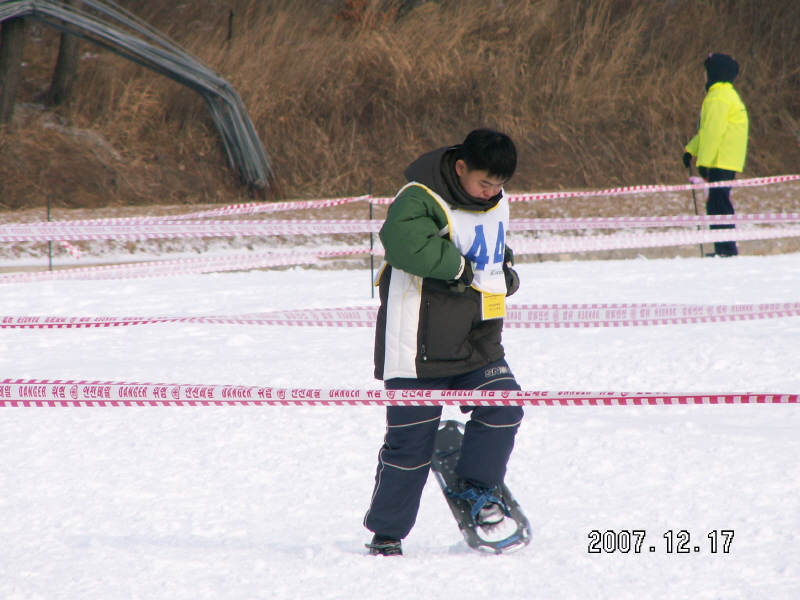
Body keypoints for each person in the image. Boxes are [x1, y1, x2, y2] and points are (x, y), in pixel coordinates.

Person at [363, 128, 524, 556]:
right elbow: (400, 243)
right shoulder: (420, 197)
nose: (491, 191)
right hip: (418, 346)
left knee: (505, 405)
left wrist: (504, 272)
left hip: (478, 338)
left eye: (499, 185)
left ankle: (477, 489)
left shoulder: (495, 200)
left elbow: (491, 245)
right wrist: (457, 267)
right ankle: (387, 533)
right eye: (484, 182)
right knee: (409, 448)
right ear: (460, 167)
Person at [682, 53, 749, 257]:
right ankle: (723, 249)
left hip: (720, 160)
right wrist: (690, 150)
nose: (704, 76)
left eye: (707, 72)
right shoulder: (725, 94)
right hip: (726, 159)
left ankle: (726, 250)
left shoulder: (718, 97)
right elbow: (708, 131)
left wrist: (703, 162)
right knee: (716, 203)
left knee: (718, 204)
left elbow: (713, 133)